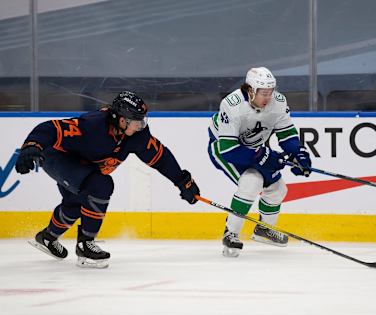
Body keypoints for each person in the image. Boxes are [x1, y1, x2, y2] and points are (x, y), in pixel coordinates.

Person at [15, 91, 200, 268]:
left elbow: (160, 157)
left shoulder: (137, 135)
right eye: (137, 121)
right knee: (100, 186)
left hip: (82, 167)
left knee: (76, 204)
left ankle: (47, 237)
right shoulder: (93, 126)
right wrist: (32, 144)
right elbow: (50, 128)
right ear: (122, 120)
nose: (141, 125)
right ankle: (86, 244)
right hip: (58, 158)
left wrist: (182, 180)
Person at [208, 67, 312, 257]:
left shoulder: (278, 102)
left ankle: (263, 229)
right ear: (250, 91)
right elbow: (229, 150)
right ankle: (230, 234)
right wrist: (264, 156)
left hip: (255, 149)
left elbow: (287, 133)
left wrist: (298, 154)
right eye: (264, 93)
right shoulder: (231, 105)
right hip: (224, 149)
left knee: (278, 190)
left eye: (271, 92)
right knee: (252, 182)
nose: (269, 97)